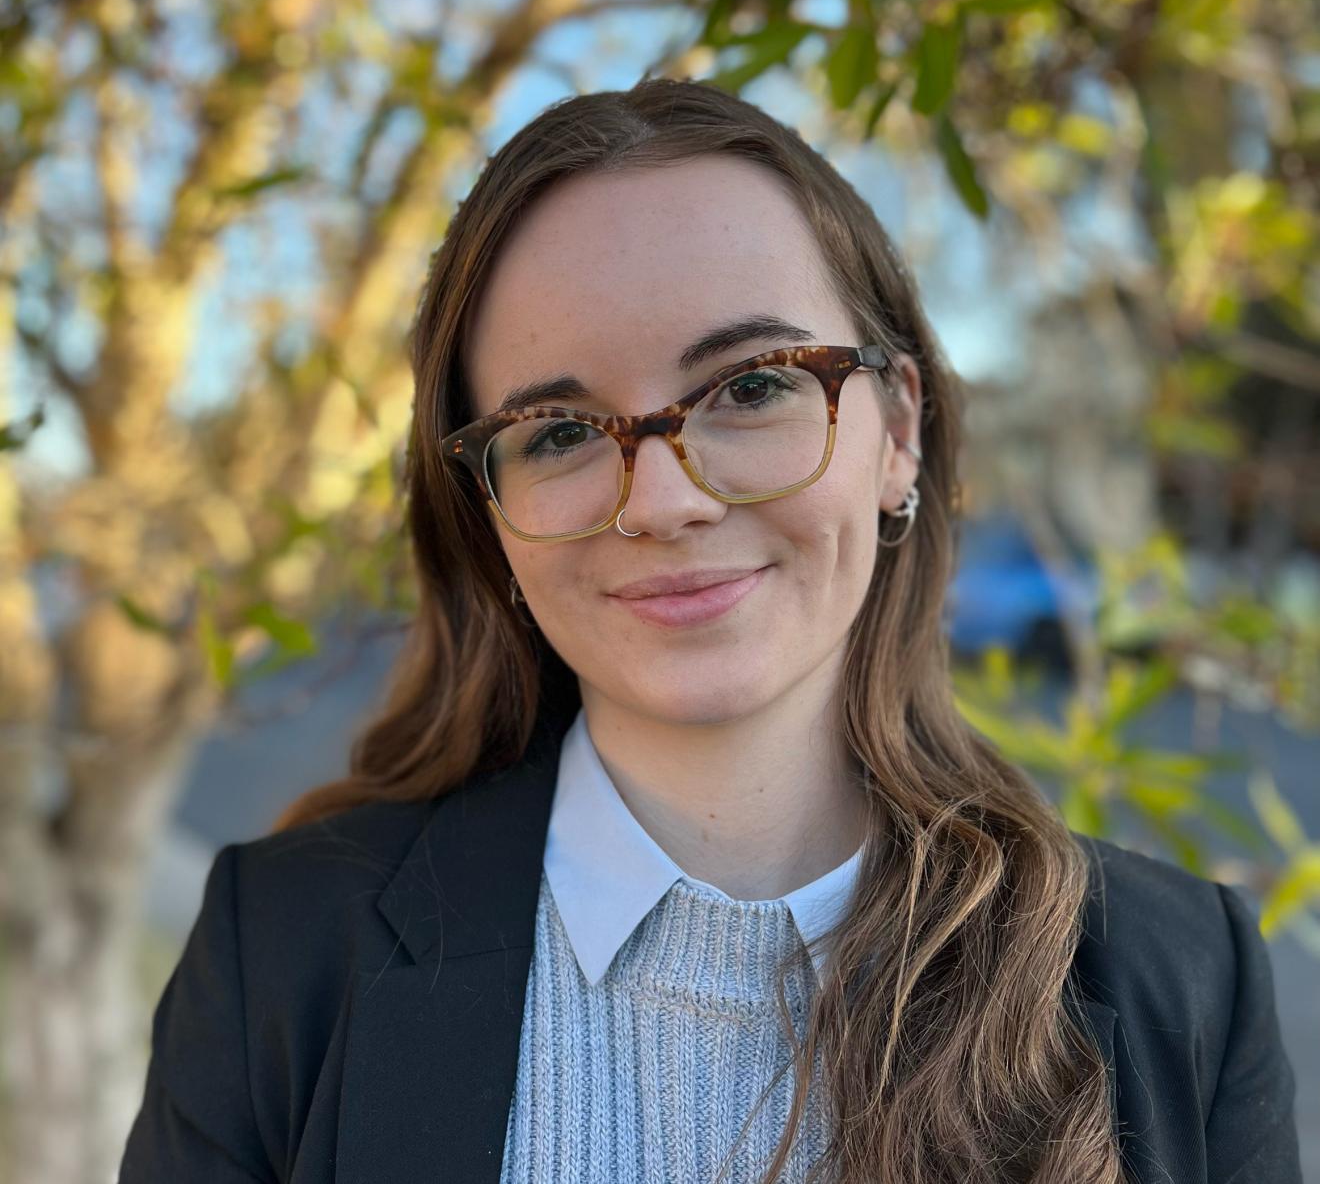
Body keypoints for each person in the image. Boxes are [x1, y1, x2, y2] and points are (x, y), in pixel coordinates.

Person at [119, 78, 1302, 1184]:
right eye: (559, 431)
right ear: (492, 519)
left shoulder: (1177, 977)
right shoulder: (279, 952)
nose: (665, 500)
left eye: (750, 386)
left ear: (897, 430)